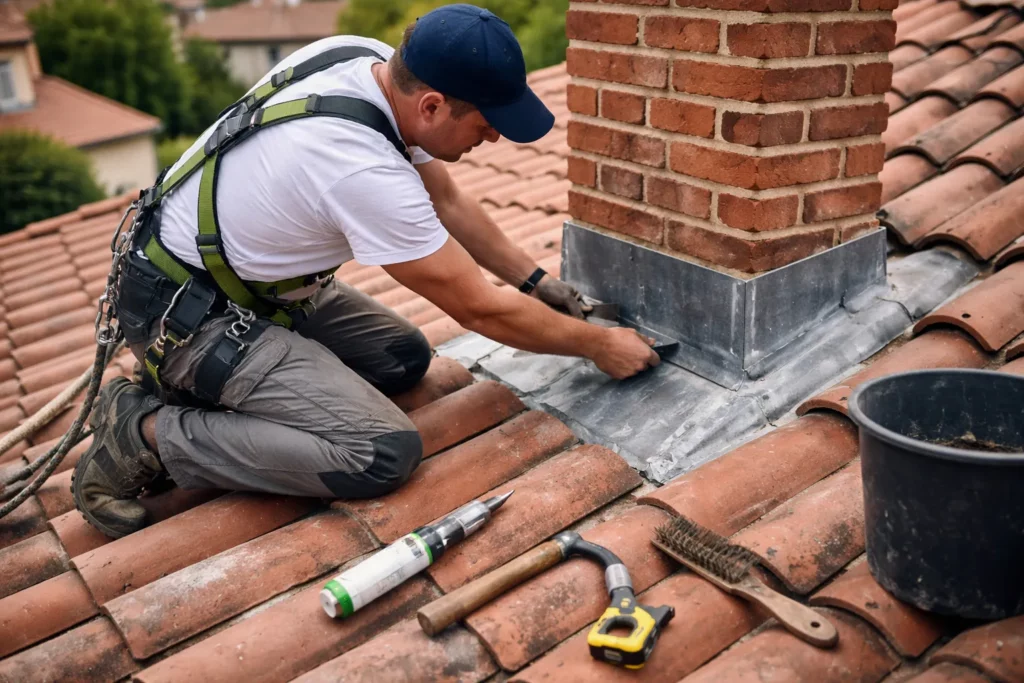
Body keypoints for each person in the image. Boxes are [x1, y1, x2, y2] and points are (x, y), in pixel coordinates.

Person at [72, 3, 660, 538]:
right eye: (486, 121)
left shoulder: (369, 63)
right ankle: (142, 431)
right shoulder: (359, 169)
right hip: (186, 317)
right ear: (431, 105)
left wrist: (541, 285)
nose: (496, 134)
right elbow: (478, 308)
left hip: (251, 287)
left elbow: (449, 202)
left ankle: (236, 394)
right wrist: (596, 346)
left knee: (402, 359)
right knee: (379, 452)